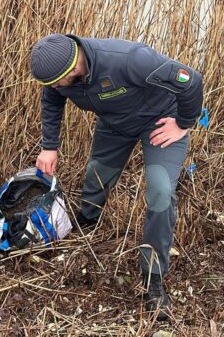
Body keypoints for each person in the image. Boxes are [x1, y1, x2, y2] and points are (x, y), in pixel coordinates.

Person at [29, 34, 203, 320]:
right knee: (96, 175)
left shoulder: (131, 59)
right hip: (114, 125)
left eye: (57, 82)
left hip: (158, 123)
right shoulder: (59, 79)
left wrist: (183, 123)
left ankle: (153, 279)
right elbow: (51, 99)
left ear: (73, 69)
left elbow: (190, 79)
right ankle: (88, 217)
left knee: (160, 192)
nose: (55, 88)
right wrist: (49, 146)